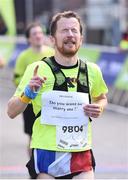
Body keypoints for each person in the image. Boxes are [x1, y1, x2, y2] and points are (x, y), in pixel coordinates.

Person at [7, 11, 108, 179]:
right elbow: (11, 112)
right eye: (64, 30)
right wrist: (27, 94)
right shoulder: (37, 69)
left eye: (74, 30)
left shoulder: (92, 71)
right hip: (47, 153)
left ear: (81, 38)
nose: (70, 34)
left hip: (80, 151)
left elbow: (102, 98)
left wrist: (99, 107)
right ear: (52, 39)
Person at [13, 22, 54, 156]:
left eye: (40, 33)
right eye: (34, 34)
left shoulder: (52, 53)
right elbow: (16, 78)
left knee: (51, 136)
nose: (38, 36)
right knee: (33, 138)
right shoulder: (23, 57)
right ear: (29, 39)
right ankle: (33, 170)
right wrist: (30, 86)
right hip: (30, 102)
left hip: (49, 102)